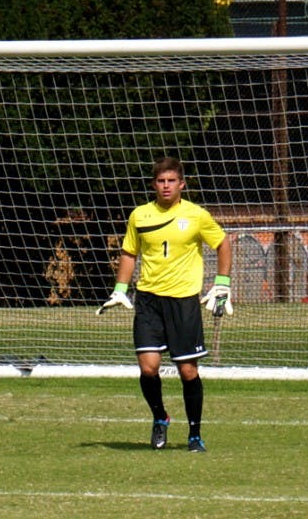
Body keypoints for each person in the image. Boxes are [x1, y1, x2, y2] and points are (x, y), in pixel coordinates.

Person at [97, 156, 233, 453]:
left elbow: (223, 243)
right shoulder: (140, 216)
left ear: (181, 184)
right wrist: (121, 288)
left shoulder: (197, 215)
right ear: (153, 184)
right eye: (161, 181)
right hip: (148, 301)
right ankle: (160, 417)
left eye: (171, 181)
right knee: (148, 368)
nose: (166, 186)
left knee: (188, 372)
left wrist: (222, 282)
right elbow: (129, 252)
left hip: (183, 302)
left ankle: (195, 434)